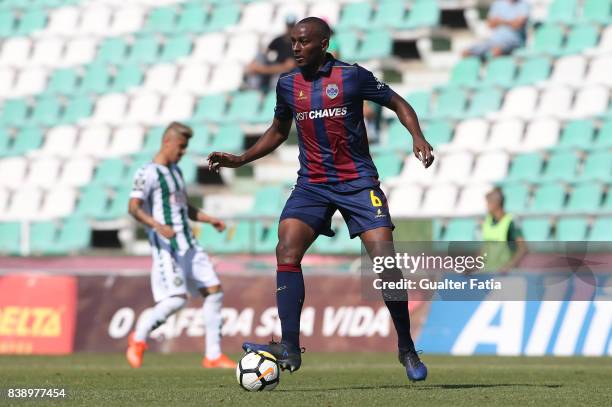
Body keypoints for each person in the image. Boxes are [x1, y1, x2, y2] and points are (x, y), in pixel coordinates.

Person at [208, 17, 434, 382]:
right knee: (286, 251)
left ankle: (406, 346)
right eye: (293, 42)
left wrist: (418, 137)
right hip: (312, 184)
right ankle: (290, 345)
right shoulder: (286, 84)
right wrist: (241, 158)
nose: (295, 48)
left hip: (358, 183)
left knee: (385, 265)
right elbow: (279, 131)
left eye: (302, 42)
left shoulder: (352, 76)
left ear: (323, 44)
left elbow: (398, 103)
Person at [126, 122, 236, 369]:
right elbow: (133, 207)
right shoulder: (147, 173)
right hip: (168, 247)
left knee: (214, 291)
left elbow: (184, 208)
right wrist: (157, 225)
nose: (183, 151)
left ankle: (213, 355)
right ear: (167, 142)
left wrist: (209, 219)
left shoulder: (176, 171)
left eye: (186, 147)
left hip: (190, 243)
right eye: (181, 146)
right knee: (176, 300)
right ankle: (139, 337)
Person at [245, 14, 298, 92]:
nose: (290, 28)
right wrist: (254, 65)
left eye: (291, 26)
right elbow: (265, 52)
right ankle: (252, 91)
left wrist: (261, 69)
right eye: (289, 26)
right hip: (273, 69)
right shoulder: (279, 40)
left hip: (283, 74)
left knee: (278, 79)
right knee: (259, 56)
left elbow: (288, 67)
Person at [482, 187, 527, 273]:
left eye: (488, 203)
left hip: (504, 275)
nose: (486, 206)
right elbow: (485, 248)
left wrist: (508, 266)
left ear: (496, 203)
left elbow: (522, 248)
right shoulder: (487, 221)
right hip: (488, 272)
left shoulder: (510, 222)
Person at [463, 0, 529, 58]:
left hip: (514, 41)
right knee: (466, 52)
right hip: (494, 40)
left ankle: (494, 70)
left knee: (496, 51)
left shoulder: (523, 4)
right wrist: (510, 21)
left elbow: (517, 24)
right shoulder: (497, 4)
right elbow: (490, 24)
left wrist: (499, 21)